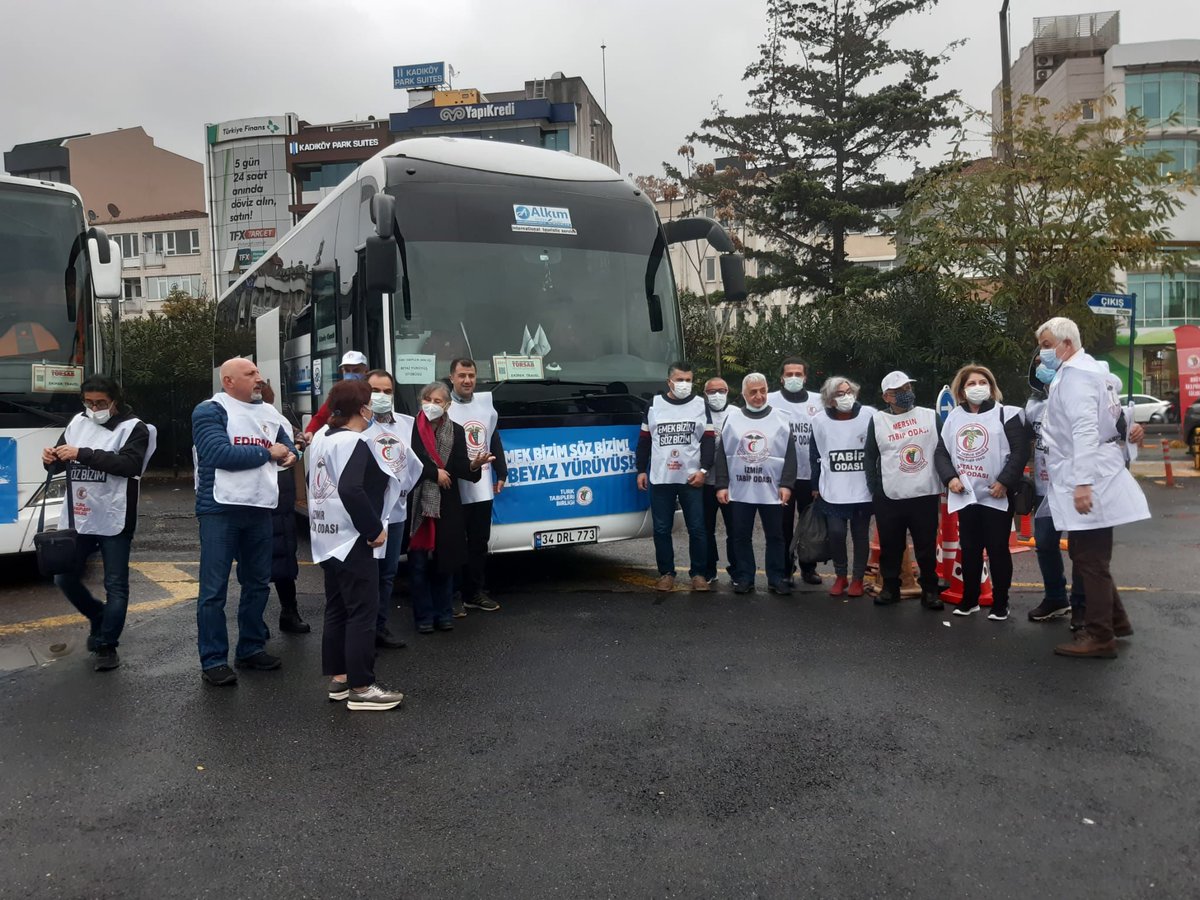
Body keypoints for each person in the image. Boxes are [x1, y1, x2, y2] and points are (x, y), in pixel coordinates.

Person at [1037, 317, 1150, 658]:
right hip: (1091, 470)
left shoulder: (1077, 377)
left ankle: (1101, 636)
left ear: (1066, 344)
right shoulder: (1087, 372)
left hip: (1090, 475)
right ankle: (1116, 621)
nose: (1042, 353)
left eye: (1046, 345)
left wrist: (1083, 483)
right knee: (1087, 553)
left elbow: (1085, 430)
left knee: (1091, 558)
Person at [192, 358, 297, 686]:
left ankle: (250, 649)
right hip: (219, 510)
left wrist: (291, 455)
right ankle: (213, 660)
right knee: (214, 591)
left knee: (257, 584)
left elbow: (289, 448)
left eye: (258, 373)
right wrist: (269, 453)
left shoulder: (269, 412)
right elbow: (218, 454)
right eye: (250, 374)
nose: (259, 378)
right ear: (228, 381)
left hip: (259, 508)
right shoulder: (210, 410)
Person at [41, 375, 156, 671]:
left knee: (115, 585)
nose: (94, 408)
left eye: (101, 403)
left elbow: (130, 465)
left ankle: (107, 644)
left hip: (115, 515)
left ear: (115, 401)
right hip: (79, 515)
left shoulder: (134, 428)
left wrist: (83, 453)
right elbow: (60, 462)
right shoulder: (77, 423)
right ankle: (97, 615)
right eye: (89, 402)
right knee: (63, 577)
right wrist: (51, 458)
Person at [1024, 354, 1144, 629]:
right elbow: (1018, 441)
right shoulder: (1034, 406)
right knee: (1045, 543)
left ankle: (1081, 606)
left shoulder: (1089, 399)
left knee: (1083, 550)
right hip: (1047, 488)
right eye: (1040, 364)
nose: (1045, 368)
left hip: (1081, 487)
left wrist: (1135, 430)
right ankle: (1056, 598)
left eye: (1050, 362)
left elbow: (1120, 429)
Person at [308, 379, 405, 710]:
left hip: (327, 536)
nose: (374, 406)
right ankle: (362, 687)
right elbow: (351, 489)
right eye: (370, 401)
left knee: (337, 608)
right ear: (362, 409)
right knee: (363, 611)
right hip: (353, 539)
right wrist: (373, 528)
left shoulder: (322, 437)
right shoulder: (355, 442)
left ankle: (340, 678)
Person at [934, 363, 1028, 621]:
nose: (978, 387)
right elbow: (942, 452)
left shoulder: (1006, 414)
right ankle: (970, 599)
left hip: (997, 496)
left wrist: (1004, 482)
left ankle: (1001, 602)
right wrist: (950, 478)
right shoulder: (954, 417)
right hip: (967, 495)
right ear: (962, 391)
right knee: (970, 549)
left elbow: (1020, 452)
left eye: (983, 382)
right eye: (971, 383)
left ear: (991, 387)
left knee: (998, 549)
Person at [409, 382, 490, 633]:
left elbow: (460, 467)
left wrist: (474, 466)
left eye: (438, 401)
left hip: (447, 505)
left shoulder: (455, 430)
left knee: (445, 564)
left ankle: (444, 614)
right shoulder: (411, 427)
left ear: (447, 405)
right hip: (419, 504)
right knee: (419, 564)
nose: (432, 405)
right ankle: (423, 617)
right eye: (428, 400)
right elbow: (409, 461)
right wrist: (434, 473)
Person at [864, 371, 944, 610]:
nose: (905, 394)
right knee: (890, 546)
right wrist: (874, 487)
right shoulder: (878, 420)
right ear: (886, 397)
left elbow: (943, 449)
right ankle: (890, 587)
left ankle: (930, 590)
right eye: (898, 391)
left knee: (926, 547)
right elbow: (870, 455)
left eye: (907, 388)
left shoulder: (930, 417)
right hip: (890, 495)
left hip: (924, 493)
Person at [636, 361, 716, 592]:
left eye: (688, 380)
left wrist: (704, 470)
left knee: (697, 528)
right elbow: (644, 440)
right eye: (680, 380)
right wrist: (641, 470)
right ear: (669, 382)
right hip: (661, 478)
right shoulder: (654, 405)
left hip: (691, 479)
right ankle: (666, 573)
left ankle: (698, 574)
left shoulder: (700, 404)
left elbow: (708, 440)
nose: (684, 384)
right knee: (661, 529)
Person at [714, 373, 795, 594]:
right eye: (753, 392)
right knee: (740, 535)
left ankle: (776, 578)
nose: (758, 396)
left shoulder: (781, 418)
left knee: (776, 536)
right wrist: (721, 485)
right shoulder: (733, 419)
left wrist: (787, 484)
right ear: (743, 394)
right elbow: (723, 455)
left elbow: (790, 455)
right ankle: (744, 577)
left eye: (762, 391)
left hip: (772, 489)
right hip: (740, 490)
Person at [448, 358, 508, 614]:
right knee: (453, 544)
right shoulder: (444, 406)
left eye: (471, 376)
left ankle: (474, 592)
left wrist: (501, 471)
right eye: (462, 375)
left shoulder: (485, 405)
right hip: (453, 487)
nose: (467, 380)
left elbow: (492, 437)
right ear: (451, 378)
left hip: (482, 486)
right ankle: (452, 595)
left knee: (478, 542)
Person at [364, 369, 417, 648]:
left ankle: (380, 627)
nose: (381, 396)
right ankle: (362, 630)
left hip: (396, 512)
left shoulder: (407, 424)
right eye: (375, 391)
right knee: (366, 574)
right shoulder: (357, 425)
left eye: (387, 391)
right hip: (367, 513)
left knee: (387, 574)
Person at [810, 377, 875, 597]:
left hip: (861, 489)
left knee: (860, 535)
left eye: (849, 392)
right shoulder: (819, 421)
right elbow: (815, 454)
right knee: (836, 533)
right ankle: (840, 575)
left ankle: (857, 578)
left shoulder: (869, 415)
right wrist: (815, 484)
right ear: (830, 399)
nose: (846, 397)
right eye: (840, 394)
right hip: (833, 488)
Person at [258, 383, 309, 636]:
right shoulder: (242, 421)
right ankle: (279, 615)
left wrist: (298, 449)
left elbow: (298, 439)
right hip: (266, 494)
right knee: (268, 557)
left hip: (280, 494)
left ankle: (287, 612)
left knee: (283, 554)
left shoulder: (277, 419)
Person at [768, 357, 824, 587]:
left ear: (805, 377)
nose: (793, 378)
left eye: (798, 374)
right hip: (782, 476)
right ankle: (785, 569)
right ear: (782, 378)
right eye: (789, 374)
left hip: (810, 475)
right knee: (782, 525)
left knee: (809, 525)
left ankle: (808, 568)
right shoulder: (770, 400)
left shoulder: (819, 401)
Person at [700, 376, 738, 584]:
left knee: (735, 529)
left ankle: (737, 571)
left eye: (721, 391)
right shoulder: (698, 413)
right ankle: (709, 569)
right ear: (705, 394)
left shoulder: (737, 414)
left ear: (727, 392)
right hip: (705, 483)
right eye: (712, 391)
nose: (717, 395)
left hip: (731, 484)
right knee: (706, 529)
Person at [303, 350, 369, 437]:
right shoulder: (339, 394)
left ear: (365, 371)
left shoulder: (372, 390)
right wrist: (310, 431)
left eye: (356, 370)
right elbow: (321, 416)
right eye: (347, 370)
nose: (351, 374)